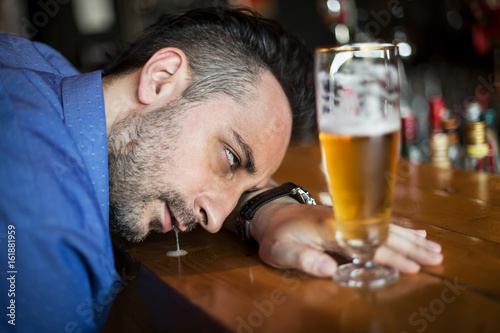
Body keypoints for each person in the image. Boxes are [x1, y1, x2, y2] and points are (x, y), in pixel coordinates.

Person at [0, 6, 443, 332]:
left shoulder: (41, 68)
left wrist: (270, 209)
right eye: (230, 158)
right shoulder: (42, 232)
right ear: (161, 79)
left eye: (245, 185)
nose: (214, 221)